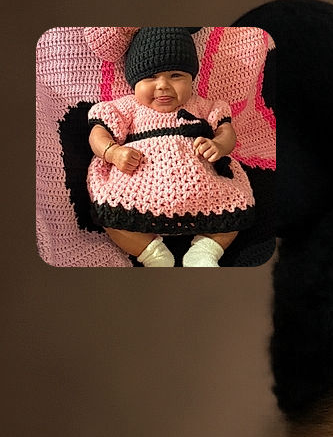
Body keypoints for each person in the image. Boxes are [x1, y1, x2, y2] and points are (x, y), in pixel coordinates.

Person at [86, 27, 256, 267]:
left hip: (205, 190)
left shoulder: (204, 106)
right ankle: (153, 254)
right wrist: (112, 152)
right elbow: (98, 134)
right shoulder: (127, 108)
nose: (163, 85)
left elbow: (227, 132)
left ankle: (206, 250)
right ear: (134, 82)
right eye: (151, 77)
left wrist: (219, 144)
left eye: (176, 75)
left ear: (192, 78)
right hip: (136, 192)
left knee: (238, 206)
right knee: (110, 217)